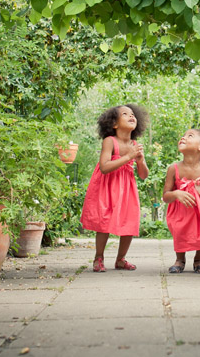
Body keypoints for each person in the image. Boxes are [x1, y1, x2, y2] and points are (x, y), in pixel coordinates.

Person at [80, 104, 149, 272]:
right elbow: (104, 167)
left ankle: (121, 259)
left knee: (129, 221)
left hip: (127, 188)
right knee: (104, 220)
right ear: (114, 124)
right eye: (125, 114)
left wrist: (139, 159)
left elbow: (143, 175)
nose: (132, 116)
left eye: (133, 114)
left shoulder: (135, 144)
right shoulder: (109, 141)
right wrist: (129, 156)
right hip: (107, 186)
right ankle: (99, 257)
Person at [163, 128, 200, 274]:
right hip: (181, 210)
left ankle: (199, 259)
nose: (183, 138)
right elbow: (166, 196)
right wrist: (177, 193)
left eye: (189, 136)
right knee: (179, 231)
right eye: (183, 135)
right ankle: (180, 260)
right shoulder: (174, 169)